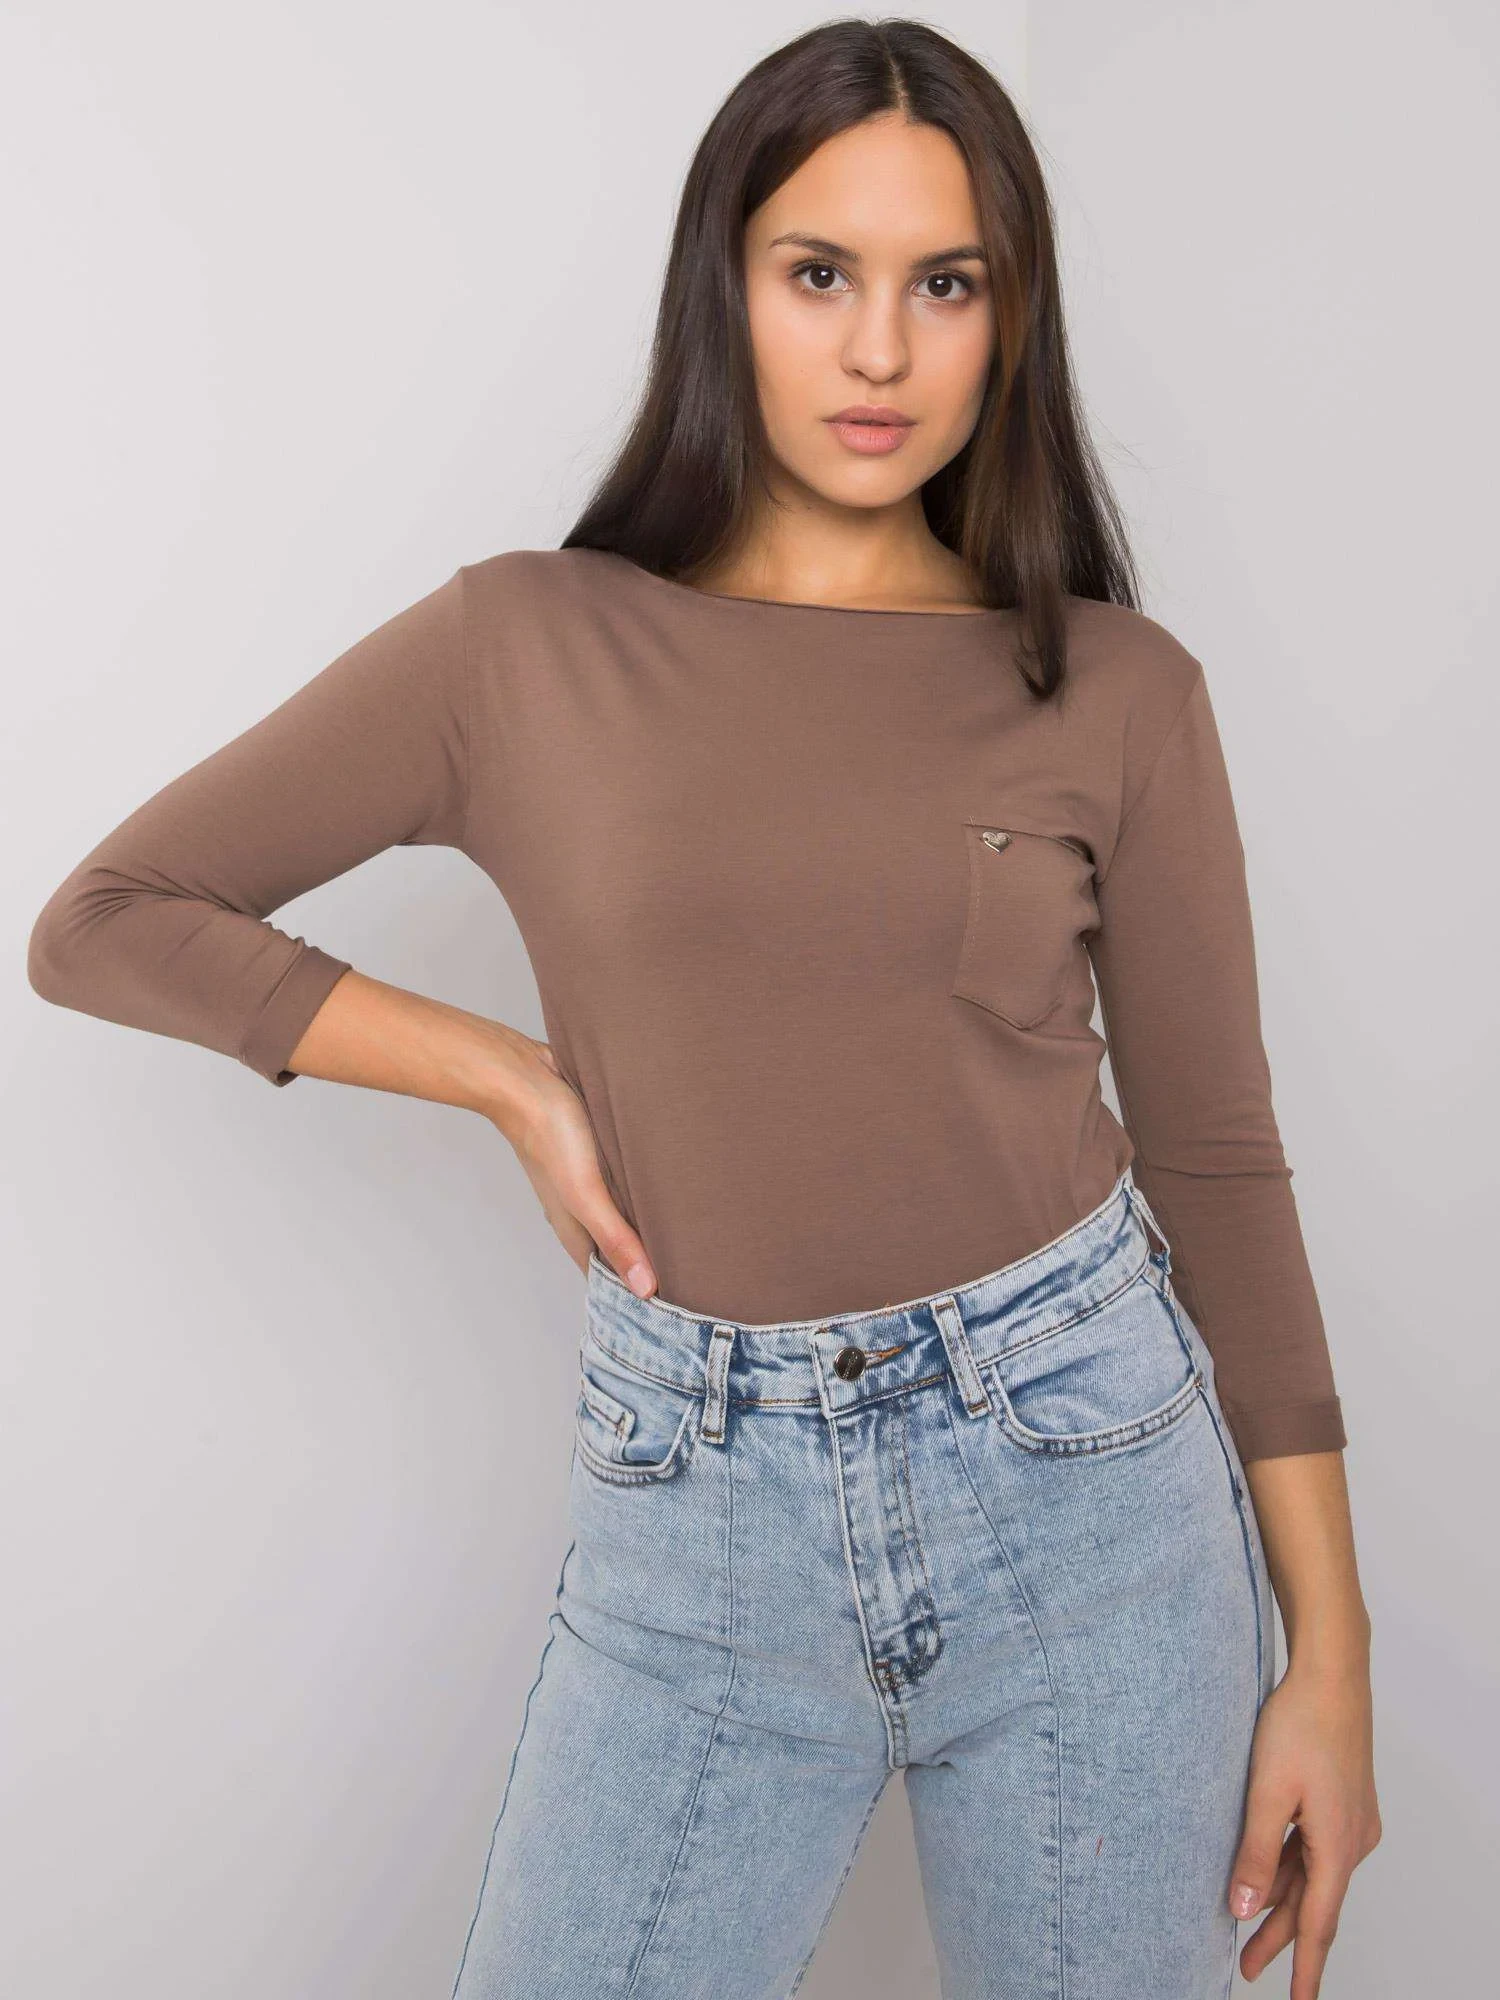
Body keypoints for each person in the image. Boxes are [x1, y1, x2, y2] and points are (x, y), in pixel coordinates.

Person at [26, 18, 1379, 1999]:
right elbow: (107, 919)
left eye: (946, 284)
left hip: (1088, 1489)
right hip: (697, 1512)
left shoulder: (1114, 688)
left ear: (1010, 320)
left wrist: (1330, 1663)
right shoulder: (527, 645)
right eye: (819, 273)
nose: (881, 350)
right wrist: (504, 1075)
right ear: (723, 289)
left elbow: (1220, 1163)